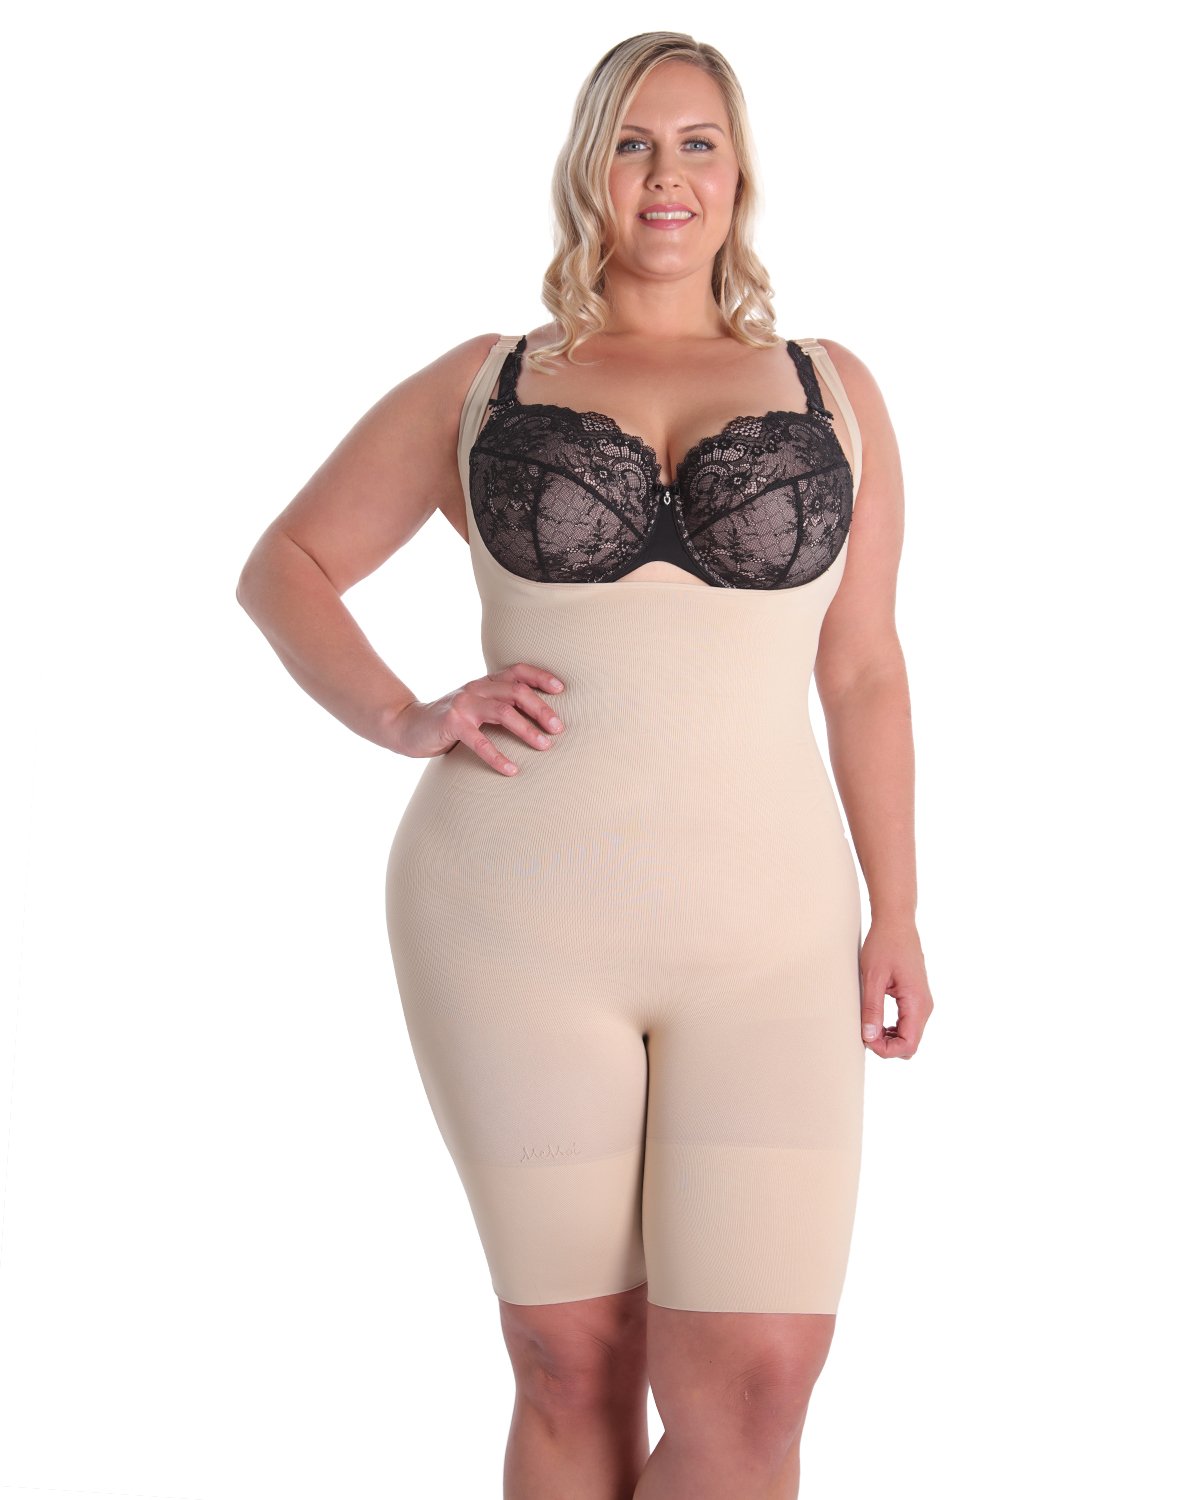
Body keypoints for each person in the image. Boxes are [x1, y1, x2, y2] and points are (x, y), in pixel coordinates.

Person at [236, 29, 934, 1500]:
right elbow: (287, 565)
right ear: (586, 170)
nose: (665, 175)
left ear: (738, 173)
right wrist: (405, 715)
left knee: (759, 1387)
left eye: (696, 143)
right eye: (632, 142)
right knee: (572, 1360)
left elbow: (864, 669)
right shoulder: (487, 383)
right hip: (512, 922)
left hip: (772, 939)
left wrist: (902, 913)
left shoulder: (834, 389)